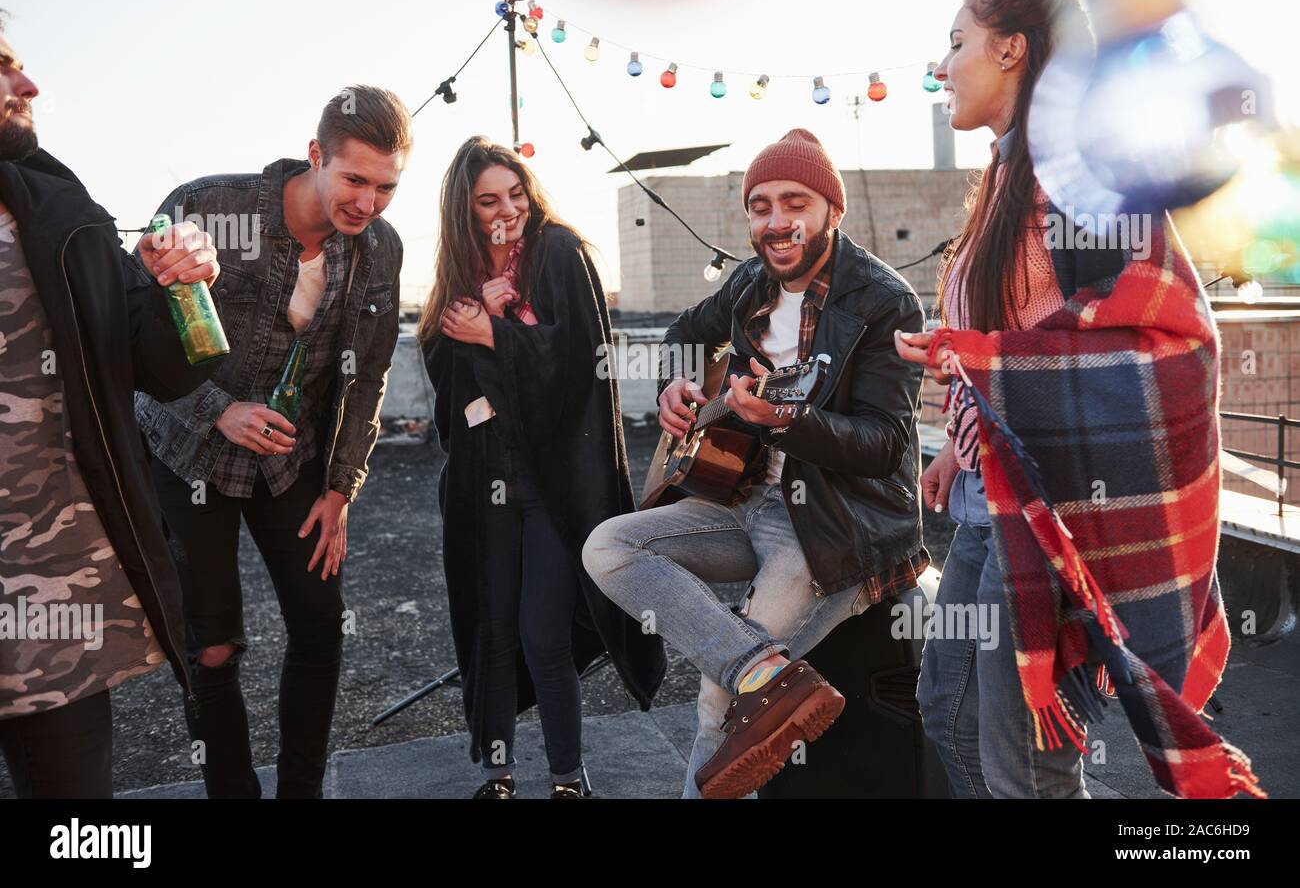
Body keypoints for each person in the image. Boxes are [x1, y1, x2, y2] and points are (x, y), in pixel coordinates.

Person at [896, 0, 1259, 799]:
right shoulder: (1007, 174)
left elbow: (1157, 342)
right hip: (989, 499)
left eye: (957, 43)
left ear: (1012, 48)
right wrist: (960, 445)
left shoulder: (1079, 168)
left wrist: (980, 360)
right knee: (947, 708)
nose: (941, 65)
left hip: (1049, 510)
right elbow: (1024, 324)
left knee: (1026, 764)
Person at [583, 128, 929, 799]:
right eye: (761, 205)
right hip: (744, 500)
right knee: (609, 547)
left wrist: (789, 422)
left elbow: (885, 443)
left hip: (836, 527)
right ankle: (763, 673)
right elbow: (686, 332)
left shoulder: (883, 300)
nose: (776, 221)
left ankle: (746, 678)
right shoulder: (748, 284)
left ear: (832, 209)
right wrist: (677, 381)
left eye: (794, 201)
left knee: (719, 696)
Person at [134, 85, 409, 798]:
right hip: (187, 452)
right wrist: (218, 409)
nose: (367, 203)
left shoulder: (382, 248)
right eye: (354, 180)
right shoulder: (206, 207)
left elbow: (371, 373)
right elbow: (128, 336)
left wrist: (343, 486)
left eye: (385, 187)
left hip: (294, 465)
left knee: (321, 629)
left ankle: (300, 793)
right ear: (316, 155)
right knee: (213, 646)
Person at [0, 10, 221, 797]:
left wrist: (181, 283)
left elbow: (158, 366)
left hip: (51, 601)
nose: (26, 85)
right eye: (1, 67)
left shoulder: (60, 212)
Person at [420, 136, 666, 799]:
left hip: (555, 483)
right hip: (482, 483)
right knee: (492, 634)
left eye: (515, 193)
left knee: (543, 634)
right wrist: (474, 326)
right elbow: (449, 398)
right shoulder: (460, 277)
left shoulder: (559, 251)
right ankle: (498, 776)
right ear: (465, 211)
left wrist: (495, 333)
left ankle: (566, 777)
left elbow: (579, 360)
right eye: (488, 200)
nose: (507, 209)